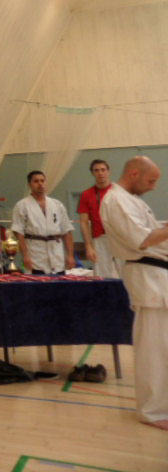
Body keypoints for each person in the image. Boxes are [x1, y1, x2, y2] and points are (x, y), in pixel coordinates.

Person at [99, 156, 168, 430]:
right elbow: (142, 239)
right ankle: (152, 411)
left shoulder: (132, 200)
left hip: (157, 275)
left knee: (163, 348)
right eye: (151, 180)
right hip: (147, 275)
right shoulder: (116, 200)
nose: (153, 186)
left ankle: (161, 405)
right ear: (134, 173)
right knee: (153, 349)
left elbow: (152, 232)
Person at [11, 171, 75, 275]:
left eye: (42, 181)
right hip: (35, 254)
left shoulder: (57, 204)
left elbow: (66, 230)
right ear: (29, 184)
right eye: (36, 181)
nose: (40, 184)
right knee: (37, 282)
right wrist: (25, 256)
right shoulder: (22, 205)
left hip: (56, 253)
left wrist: (70, 255)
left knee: (59, 282)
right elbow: (19, 233)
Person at [77, 159, 119, 277]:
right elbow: (84, 222)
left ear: (108, 171)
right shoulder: (86, 194)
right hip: (100, 238)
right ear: (92, 173)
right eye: (96, 170)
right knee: (102, 275)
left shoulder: (119, 192)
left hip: (119, 237)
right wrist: (88, 246)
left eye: (103, 170)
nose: (100, 173)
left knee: (126, 274)